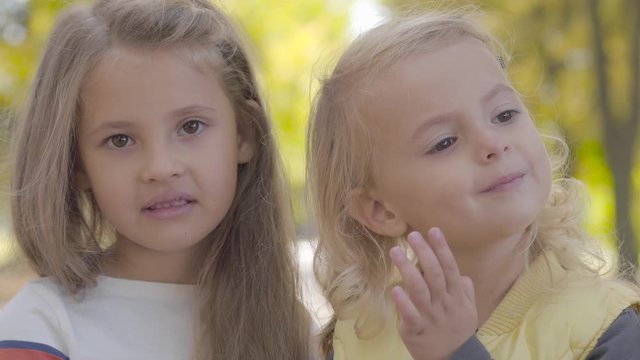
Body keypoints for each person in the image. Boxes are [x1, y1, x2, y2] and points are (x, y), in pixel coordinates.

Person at [307, 8, 640, 360]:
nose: (493, 144)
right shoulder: (360, 334)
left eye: (504, 115)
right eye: (445, 142)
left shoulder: (606, 327)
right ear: (380, 209)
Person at [0, 0, 312, 359]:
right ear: (76, 164)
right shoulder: (42, 328)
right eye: (120, 140)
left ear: (243, 135)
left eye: (190, 126)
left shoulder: (292, 329)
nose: (161, 168)